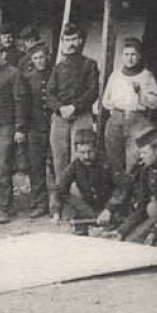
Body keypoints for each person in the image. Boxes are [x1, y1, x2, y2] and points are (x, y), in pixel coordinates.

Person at [44, 21, 101, 200]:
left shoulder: (89, 65)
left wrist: (74, 106)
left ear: (80, 41)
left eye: (74, 39)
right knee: (59, 159)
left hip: (81, 115)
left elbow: (92, 91)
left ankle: (82, 201)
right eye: (67, 39)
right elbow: (49, 93)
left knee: (81, 158)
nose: (71, 43)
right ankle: (62, 201)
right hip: (60, 118)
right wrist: (60, 108)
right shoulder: (58, 67)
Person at [101, 36, 157, 200]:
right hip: (116, 119)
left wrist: (140, 93)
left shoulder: (146, 76)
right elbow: (105, 100)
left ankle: (132, 201)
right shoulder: (115, 76)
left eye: (133, 54)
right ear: (122, 56)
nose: (130, 58)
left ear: (139, 56)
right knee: (114, 161)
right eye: (126, 54)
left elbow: (156, 102)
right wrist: (116, 110)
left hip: (137, 121)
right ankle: (117, 201)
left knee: (133, 162)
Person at [0, 41, 31, 223]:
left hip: (6, 127)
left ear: (3, 55)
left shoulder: (14, 74)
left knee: (3, 168)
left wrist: (19, 128)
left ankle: (4, 208)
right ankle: (1, 205)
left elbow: (20, 102)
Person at [51, 127, 115, 235]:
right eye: (82, 152)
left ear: (96, 149)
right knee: (66, 205)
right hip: (89, 208)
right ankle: (82, 226)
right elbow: (60, 189)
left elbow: (122, 188)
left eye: (90, 152)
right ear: (76, 151)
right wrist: (56, 212)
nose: (86, 156)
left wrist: (109, 209)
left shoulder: (107, 163)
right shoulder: (75, 166)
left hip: (109, 206)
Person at [21, 40, 54, 216]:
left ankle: (58, 202)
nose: (40, 61)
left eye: (42, 57)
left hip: (53, 125)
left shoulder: (54, 74)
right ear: (31, 60)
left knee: (57, 165)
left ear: (47, 57)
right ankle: (39, 204)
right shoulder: (27, 78)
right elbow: (23, 105)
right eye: (36, 58)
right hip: (34, 128)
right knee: (36, 167)